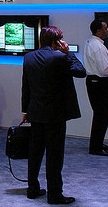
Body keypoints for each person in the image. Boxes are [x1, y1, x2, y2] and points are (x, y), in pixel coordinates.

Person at [21, 25, 86, 205]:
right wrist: (69, 53)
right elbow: (81, 72)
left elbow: (26, 86)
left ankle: (32, 189)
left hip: (36, 112)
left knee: (35, 153)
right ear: (56, 40)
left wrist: (25, 110)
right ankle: (55, 194)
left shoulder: (29, 57)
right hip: (56, 114)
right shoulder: (61, 57)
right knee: (55, 155)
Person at [83, 19, 108, 156]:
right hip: (101, 84)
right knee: (102, 116)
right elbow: (106, 71)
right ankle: (95, 147)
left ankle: (98, 142)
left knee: (99, 115)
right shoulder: (98, 46)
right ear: (99, 31)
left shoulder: (89, 42)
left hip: (93, 82)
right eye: (106, 28)